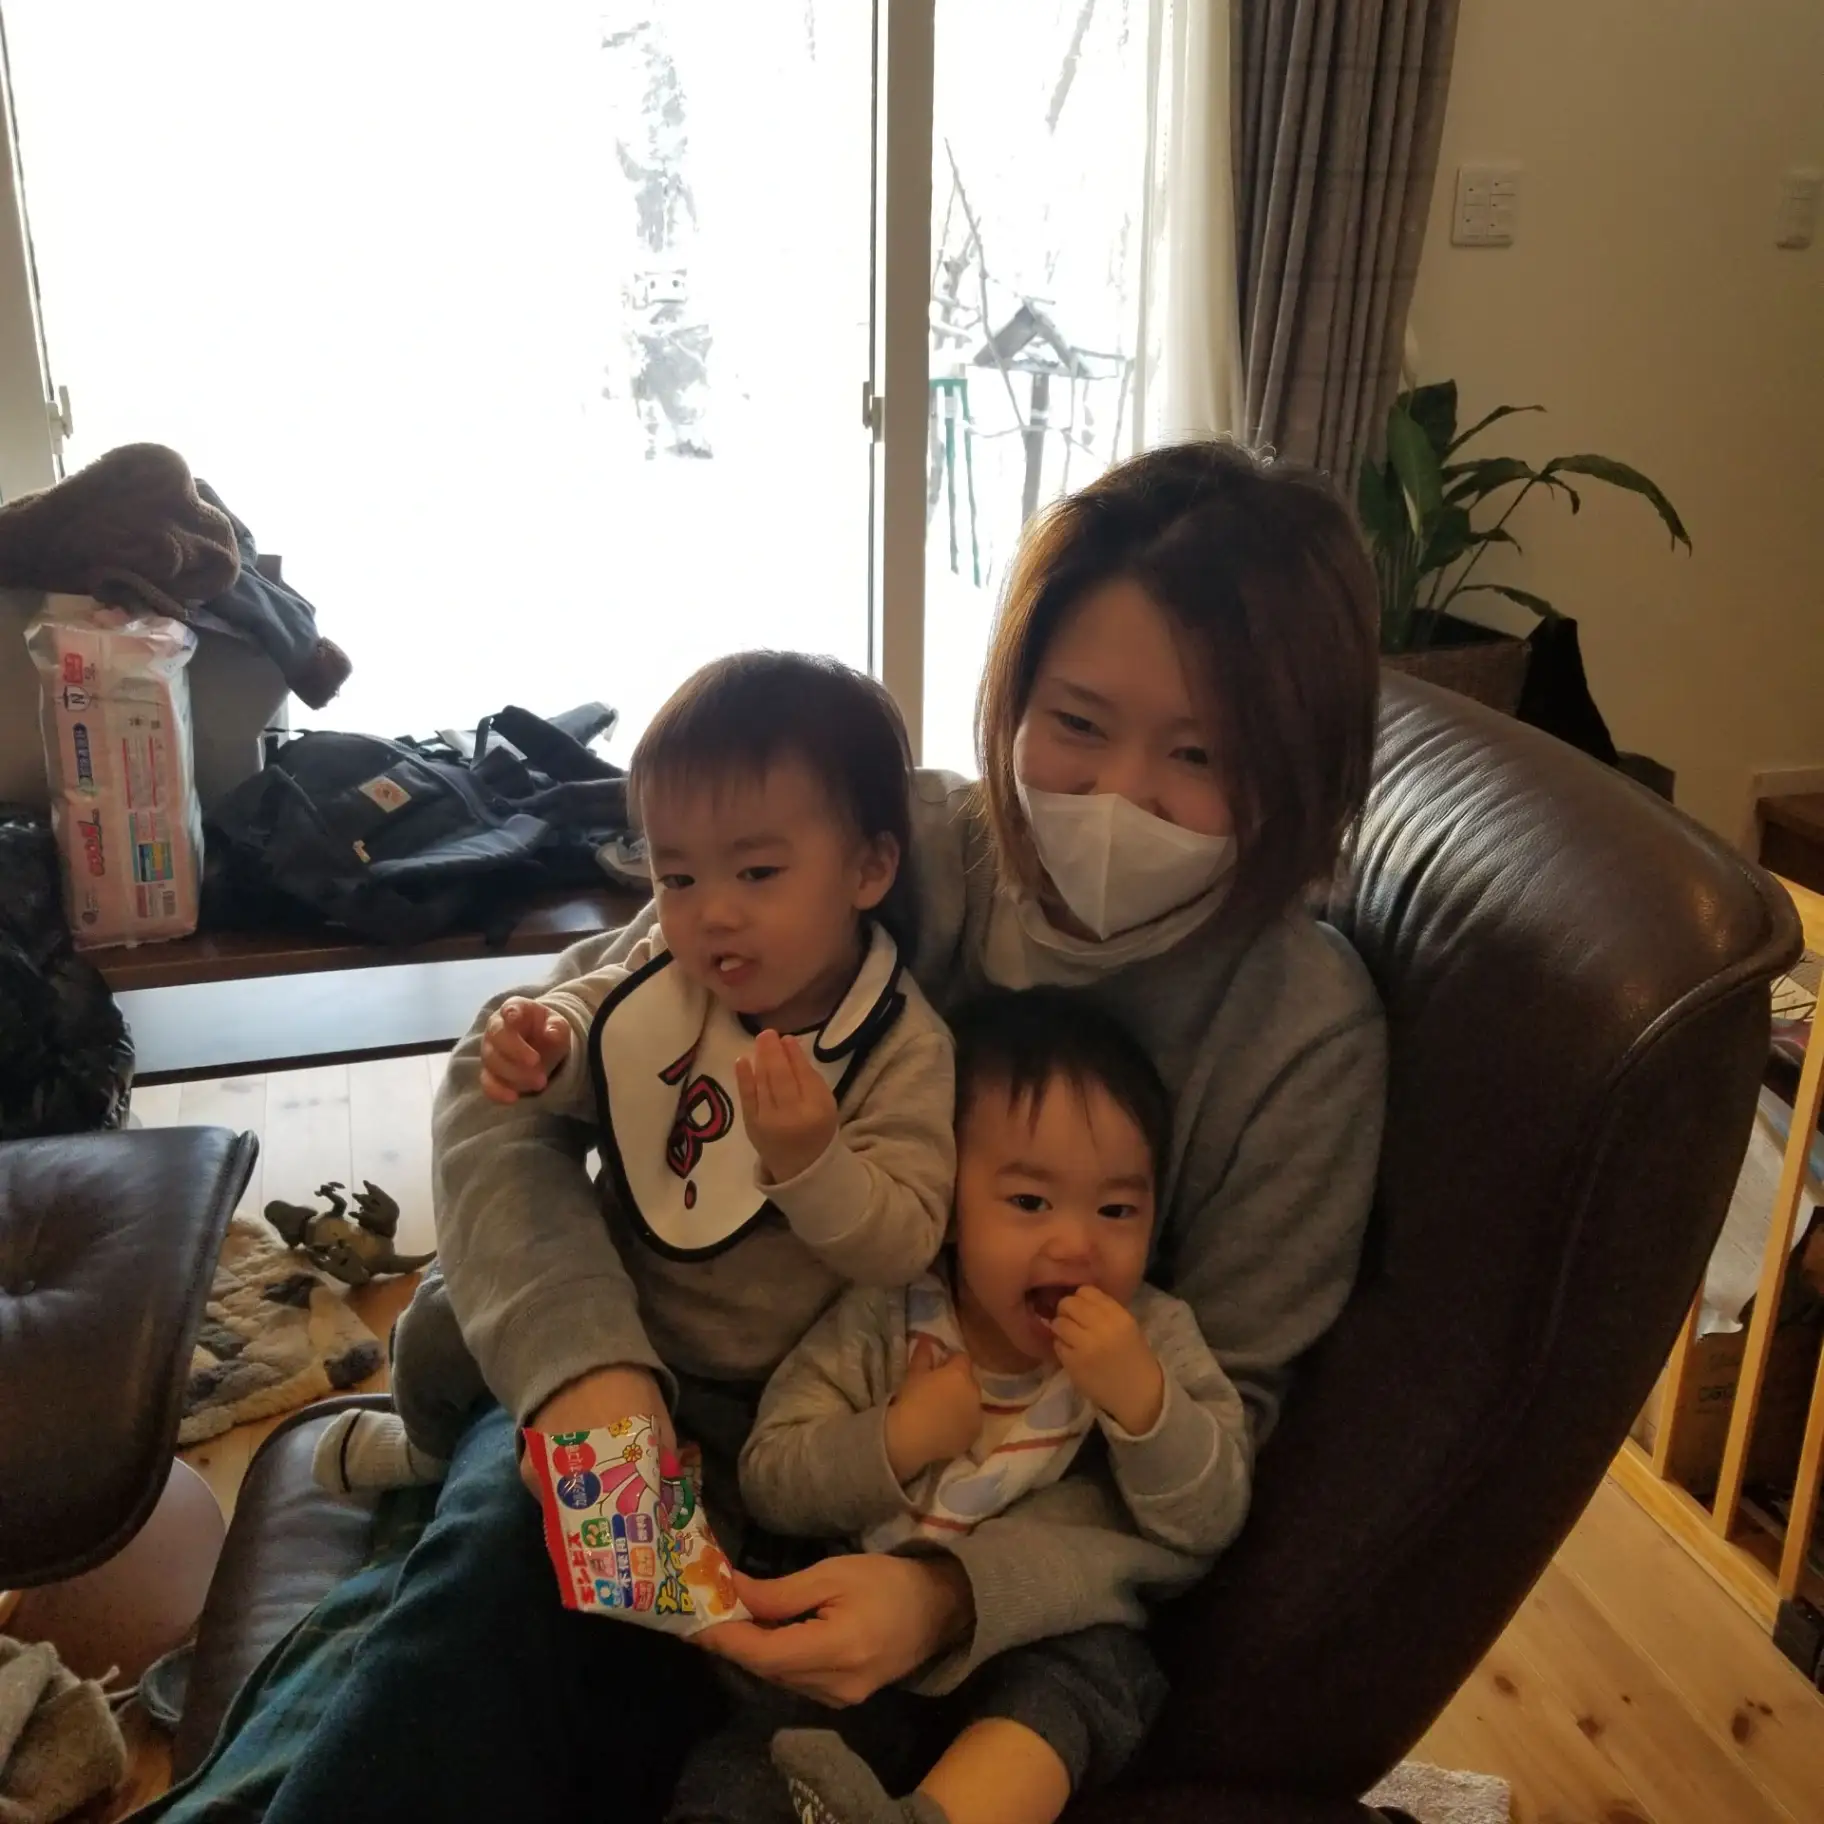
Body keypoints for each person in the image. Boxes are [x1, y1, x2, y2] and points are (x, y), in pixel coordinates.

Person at [159, 440, 1386, 1823]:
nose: (1118, 797)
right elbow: (519, 1085)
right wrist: (588, 1386)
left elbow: (1221, 1426)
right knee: (473, 1615)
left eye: (1200, 755)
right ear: (1011, 695)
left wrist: (948, 1595)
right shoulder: (869, 841)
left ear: (1296, 770)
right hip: (668, 1391)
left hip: (945, 1515)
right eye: (1077, 723)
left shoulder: (1299, 1037)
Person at [311, 650, 956, 1505]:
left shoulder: (900, 1046)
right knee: (439, 1316)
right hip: (607, 1308)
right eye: (676, 876)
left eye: (758, 873)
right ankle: (426, 1449)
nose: (711, 911)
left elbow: (907, 1241)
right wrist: (549, 1044)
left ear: (869, 870)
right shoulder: (675, 968)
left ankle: (511, 1495)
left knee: (639, 1523)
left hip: (757, 1383)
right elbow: (599, 1008)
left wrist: (816, 1165)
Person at [691, 987, 1247, 1824]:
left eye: (1117, 1210)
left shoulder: (1154, 1337)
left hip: (1026, 1647)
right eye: (1028, 1202)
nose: (1077, 1244)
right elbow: (771, 1476)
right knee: (754, 1753)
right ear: (949, 1207)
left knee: (1099, 1670)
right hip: (848, 1640)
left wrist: (1147, 1406)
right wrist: (896, 1437)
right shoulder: (885, 1315)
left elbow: (1209, 1520)